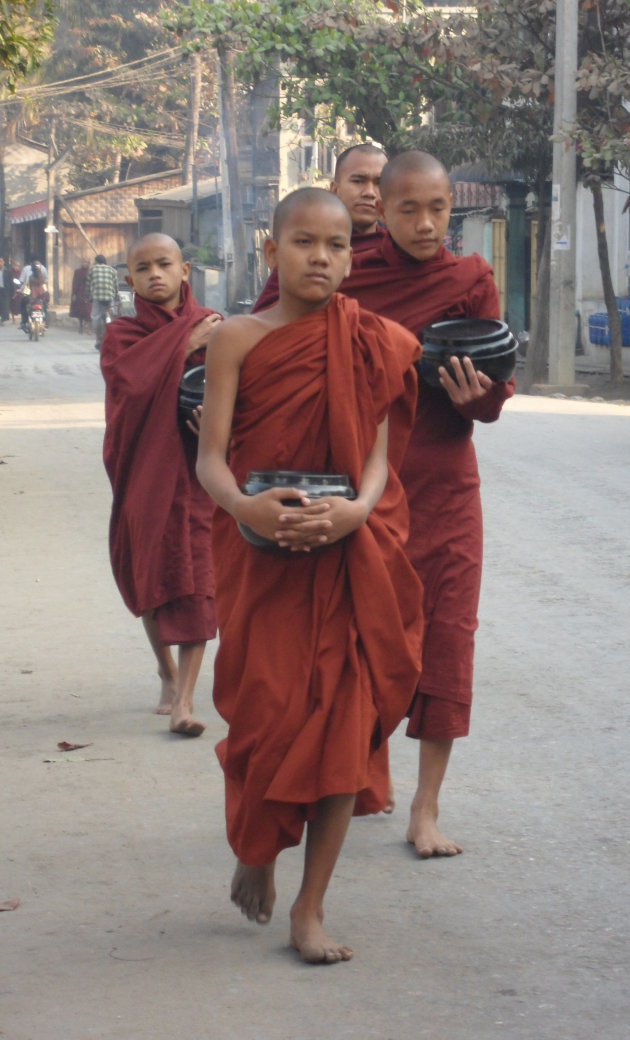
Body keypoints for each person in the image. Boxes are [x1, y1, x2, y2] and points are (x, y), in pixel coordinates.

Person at [196, 188, 423, 963]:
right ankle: (256, 846)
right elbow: (210, 460)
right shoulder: (236, 339)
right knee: (264, 715)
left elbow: (376, 460)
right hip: (263, 560)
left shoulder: (377, 342)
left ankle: (310, 908)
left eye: (336, 245)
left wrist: (360, 512)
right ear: (272, 252)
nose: (320, 257)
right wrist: (244, 511)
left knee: (344, 724)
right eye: (303, 242)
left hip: (346, 557)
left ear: (351, 257)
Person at [339, 150, 516, 858]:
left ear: (452, 207)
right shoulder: (348, 271)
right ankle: (356, 772)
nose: (425, 223)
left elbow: (496, 390)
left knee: (447, 638)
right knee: (360, 638)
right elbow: (275, 331)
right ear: (379, 208)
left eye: (437, 208)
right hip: (366, 488)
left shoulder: (471, 279)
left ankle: (427, 807)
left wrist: (483, 397)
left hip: (445, 486)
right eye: (407, 208)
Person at [100, 233, 221, 736]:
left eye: (164, 264)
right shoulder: (121, 336)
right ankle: (166, 672)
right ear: (128, 280)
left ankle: (185, 701)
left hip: (198, 473)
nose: (155, 274)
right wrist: (183, 345)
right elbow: (128, 385)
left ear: (184, 270)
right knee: (154, 578)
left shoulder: (213, 325)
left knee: (198, 580)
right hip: (144, 471)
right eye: (144, 268)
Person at [253, 143, 388, 311]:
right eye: (358, 181)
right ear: (334, 189)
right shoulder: (303, 248)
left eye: (379, 183)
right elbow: (268, 319)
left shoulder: (395, 251)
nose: (370, 192)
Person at [87, 254, 118, 350]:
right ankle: (112, 334)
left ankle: (98, 339)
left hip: (97, 297)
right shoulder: (113, 270)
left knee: (95, 316)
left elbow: (88, 285)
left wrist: (87, 296)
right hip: (109, 297)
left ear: (96, 262)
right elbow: (116, 286)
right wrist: (116, 296)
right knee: (112, 314)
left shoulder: (92, 269)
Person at [69, 257, 92, 332]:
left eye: (87, 262)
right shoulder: (77, 272)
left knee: (89, 310)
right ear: (81, 263)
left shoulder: (91, 271)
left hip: (89, 292)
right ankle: (81, 326)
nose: (85, 264)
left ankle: (89, 327)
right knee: (80, 310)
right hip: (80, 292)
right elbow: (75, 283)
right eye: (84, 262)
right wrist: (74, 294)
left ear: (89, 264)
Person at [0, 257, 8, 325]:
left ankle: (2, 319)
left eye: (1, 261)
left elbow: (10, 281)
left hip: (4, 290)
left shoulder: (6, 271)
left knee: (3, 305)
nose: (0, 263)